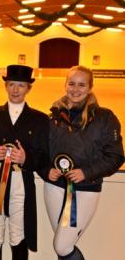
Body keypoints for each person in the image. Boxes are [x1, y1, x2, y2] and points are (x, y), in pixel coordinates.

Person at [44, 66, 124, 260]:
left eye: (82, 84)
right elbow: (41, 151)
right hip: (54, 187)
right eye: (71, 83)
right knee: (62, 245)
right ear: (65, 84)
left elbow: (115, 156)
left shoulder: (105, 117)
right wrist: (47, 170)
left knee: (62, 246)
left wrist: (86, 172)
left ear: (90, 87)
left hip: (85, 188)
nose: (75, 89)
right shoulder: (53, 116)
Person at [0, 65, 49, 260]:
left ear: (29, 88)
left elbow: (44, 155)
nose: (15, 90)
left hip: (21, 182)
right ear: (6, 86)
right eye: (11, 84)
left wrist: (26, 158)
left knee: (18, 234)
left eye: (21, 85)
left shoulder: (39, 119)